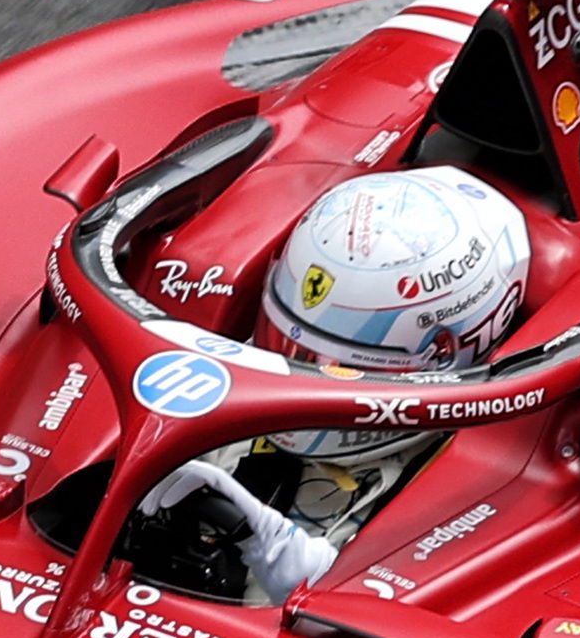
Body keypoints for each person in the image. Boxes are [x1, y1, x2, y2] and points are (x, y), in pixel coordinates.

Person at [134, 167, 531, 601]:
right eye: (284, 343)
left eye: (333, 365)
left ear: (438, 358)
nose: (297, 374)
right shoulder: (222, 388)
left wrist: (302, 576)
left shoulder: (490, 478)